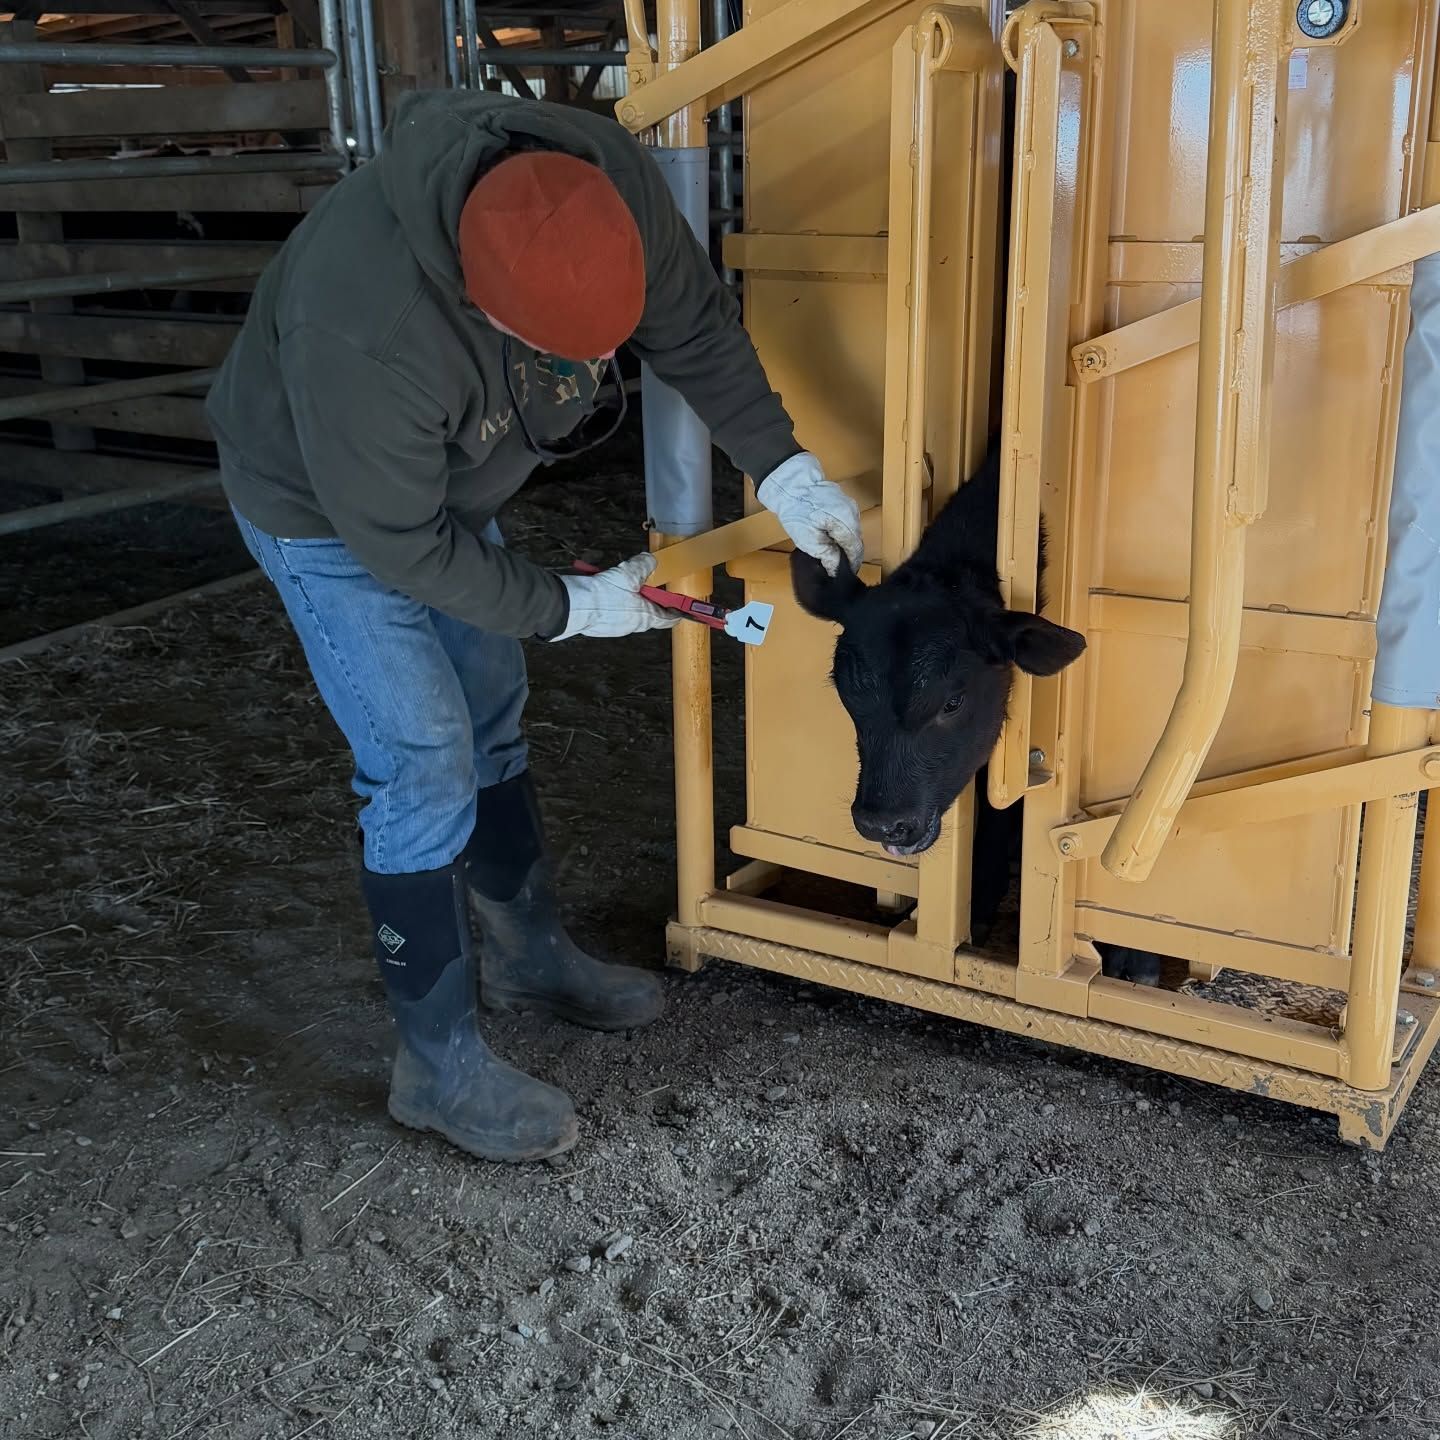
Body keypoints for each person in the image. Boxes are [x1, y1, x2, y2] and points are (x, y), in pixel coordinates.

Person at [205, 89, 864, 1164]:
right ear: (481, 307)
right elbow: (404, 550)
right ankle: (436, 1067)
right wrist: (570, 608)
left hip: (446, 483)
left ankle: (529, 953)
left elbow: (693, 324)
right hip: (329, 513)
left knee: (492, 700)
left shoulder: (602, 187)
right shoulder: (364, 329)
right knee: (423, 750)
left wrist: (782, 466)